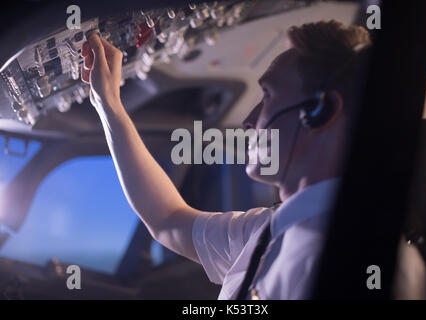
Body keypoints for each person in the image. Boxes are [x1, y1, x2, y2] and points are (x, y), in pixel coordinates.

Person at [81, 20, 372, 299]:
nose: (248, 120)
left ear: (320, 110)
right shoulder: (268, 229)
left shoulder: (340, 257)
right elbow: (167, 219)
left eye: (268, 96)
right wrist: (108, 104)